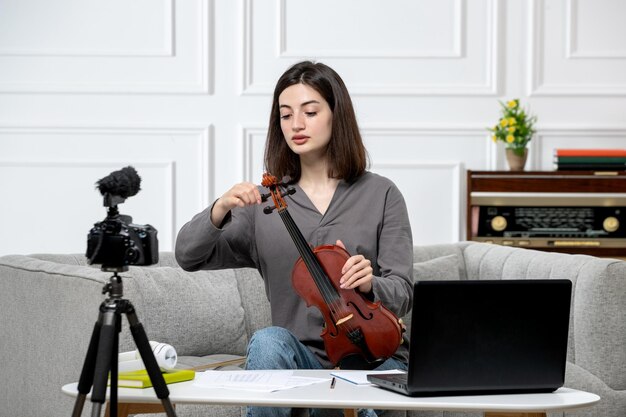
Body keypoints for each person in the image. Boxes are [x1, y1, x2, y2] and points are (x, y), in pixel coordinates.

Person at [175, 61, 413, 417]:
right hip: (298, 364)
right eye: (285, 115)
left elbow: (404, 291)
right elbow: (188, 256)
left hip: (371, 356)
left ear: (337, 115)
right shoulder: (264, 204)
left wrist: (370, 285)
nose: (296, 125)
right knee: (269, 340)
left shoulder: (382, 194)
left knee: (362, 389)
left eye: (310, 111)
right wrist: (219, 208)